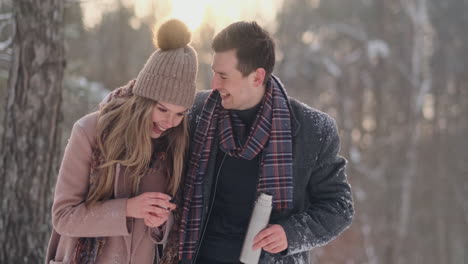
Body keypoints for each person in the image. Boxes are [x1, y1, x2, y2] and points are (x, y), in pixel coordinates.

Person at [161, 21, 354, 264]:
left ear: (257, 76)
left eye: (223, 76)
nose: (214, 84)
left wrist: (290, 234)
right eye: (213, 73)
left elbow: (339, 207)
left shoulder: (313, 130)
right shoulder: (196, 113)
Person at [45, 19, 198, 264]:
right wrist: (126, 209)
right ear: (143, 101)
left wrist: (160, 223)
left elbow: (174, 221)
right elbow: (63, 216)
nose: (171, 121)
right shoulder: (90, 132)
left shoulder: (174, 144)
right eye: (162, 109)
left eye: (180, 114)